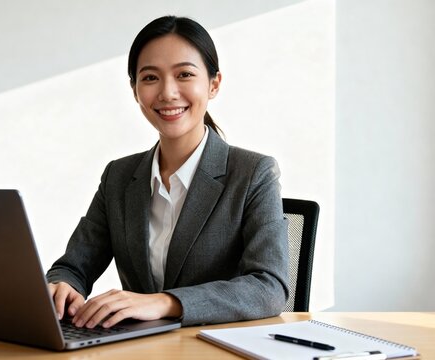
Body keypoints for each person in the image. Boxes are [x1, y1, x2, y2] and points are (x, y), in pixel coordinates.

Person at [46, 15, 288, 328]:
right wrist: (63, 287)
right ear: (135, 90)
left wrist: (165, 302)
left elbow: (269, 287)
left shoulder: (254, 173)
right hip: (138, 348)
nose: (167, 93)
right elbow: (73, 267)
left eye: (184, 74)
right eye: (150, 78)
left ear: (214, 84)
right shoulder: (118, 177)